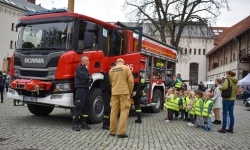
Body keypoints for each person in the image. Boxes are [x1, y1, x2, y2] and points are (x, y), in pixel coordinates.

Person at [109, 58, 134, 138]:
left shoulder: (111, 70)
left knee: (113, 111)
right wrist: (129, 91)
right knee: (124, 111)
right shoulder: (126, 68)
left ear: (116, 63)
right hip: (124, 92)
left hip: (114, 92)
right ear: (123, 62)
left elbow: (111, 81)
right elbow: (131, 81)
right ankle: (121, 133)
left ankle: (112, 131)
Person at [72, 56, 93, 131]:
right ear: (82, 61)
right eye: (87, 60)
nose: (88, 61)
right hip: (80, 90)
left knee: (87, 106)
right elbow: (85, 78)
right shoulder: (79, 68)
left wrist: (88, 79)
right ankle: (75, 124)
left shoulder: (86, 69)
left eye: (88, 60)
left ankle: (84, 123)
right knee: (79, 107)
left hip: (86, 89)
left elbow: (91, 79)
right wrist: (88, 78)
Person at [100, 62, 116, 130]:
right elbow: (108, 85)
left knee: (109, 108)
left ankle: (108, 123)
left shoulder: (112, 74)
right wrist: (112, 92)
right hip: (106, 93)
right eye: (113, 67)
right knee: (107, 108)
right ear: (111, 66)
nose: (114, 68)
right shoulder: (108, 74)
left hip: (108, 92)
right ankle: (105, 124)